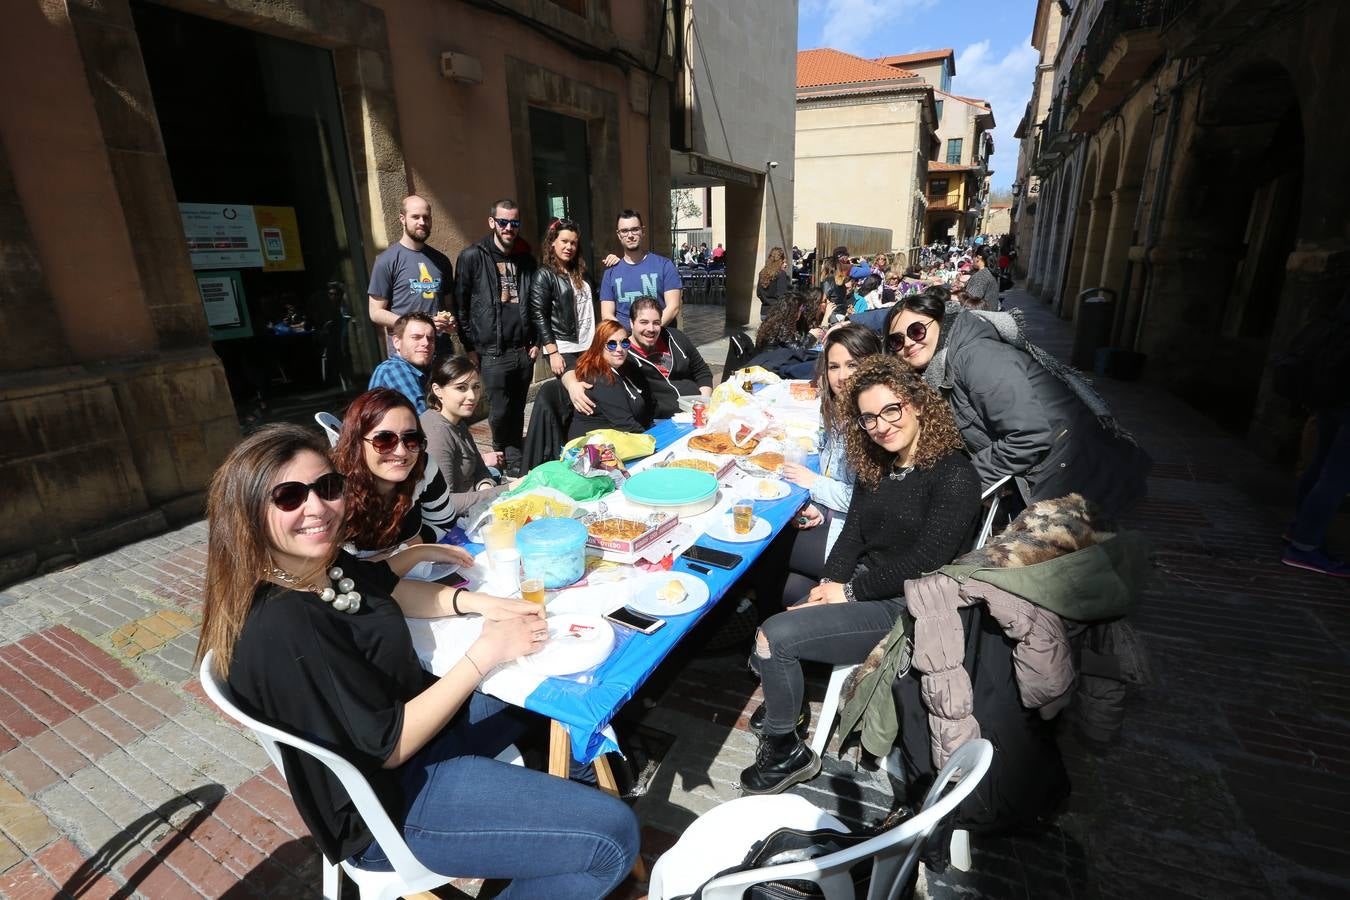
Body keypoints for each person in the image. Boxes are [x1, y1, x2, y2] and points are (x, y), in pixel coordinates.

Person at [197, 424, 639, 896]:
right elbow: (387, 748)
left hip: (420, 740)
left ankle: (560, 804)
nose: (317, 508)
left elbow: (387, 587)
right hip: (385, 803)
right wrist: (484, 652)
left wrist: (480, 605)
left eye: (327, 487)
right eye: (288, 496)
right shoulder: (284, 627)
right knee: (613, 839)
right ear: (247, 514)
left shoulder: (316, 567)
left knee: (551, 691)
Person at [742, 357, 981, 794]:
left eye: (892, 410)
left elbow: (924, 562)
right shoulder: (879, 464)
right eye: (869, 418)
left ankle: (784, 753)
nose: (881, 426)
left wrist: (848, 591)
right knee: (780, 613)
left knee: (772, 636)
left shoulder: (954, 474)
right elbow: (852, 535)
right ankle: (786, 710)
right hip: (869, 587)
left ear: (918, 405)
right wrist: (827, 586)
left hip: (908, 606)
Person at [885, 293, 1149, 518]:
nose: (908, 343)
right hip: (1053, 470)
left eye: (916, 330)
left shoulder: (976, 356)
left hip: (1072, 471)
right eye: (897, 341)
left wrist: (964, 480)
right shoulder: (943, 368)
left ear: (940, 321)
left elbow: (1028, 436)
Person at [755, 324, 884, 617]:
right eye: (834, 366)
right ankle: (773, 629)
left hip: (858, 539)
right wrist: (819, 505)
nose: (842, 376)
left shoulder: (875, 422)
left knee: (767, 547)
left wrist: (816, 485)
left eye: (853, 364)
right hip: (835, 517)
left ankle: (772, 634)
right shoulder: (839, 410)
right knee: (788, 581)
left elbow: (873, 501)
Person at [454, 199, 538, 477]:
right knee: (499, 411)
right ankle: (502, 458)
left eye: (514, 223)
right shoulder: (473, 256)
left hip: (522, 349)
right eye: (503, 222)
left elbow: (537, 302)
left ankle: (514, 459)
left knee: (517, 408)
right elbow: (461, 305)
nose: (509, 228)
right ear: (492, 222)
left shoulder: (525, 259)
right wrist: (470, 347)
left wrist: (535, 341)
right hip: (492, 351)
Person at [334, 389, 463, 560]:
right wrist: (404, 557)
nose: (402, 452)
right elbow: (332, 568)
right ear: (357, 442)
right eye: (384, 440)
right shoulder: (331, 489)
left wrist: (403, 552)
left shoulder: (423, 467)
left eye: (411, 438)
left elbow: (442, 522)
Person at [1277, 294, 1350, 577]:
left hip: (1331, 392)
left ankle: (1299, 529)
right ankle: (1304, 547)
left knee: (1320, 466)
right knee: (1336, 477)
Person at [420, 355, 517, 517]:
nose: (472, 396)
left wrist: (485, 485)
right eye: (461, 388)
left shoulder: (457, 422)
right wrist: (508, 489)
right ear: (438, 391)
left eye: (476, 387)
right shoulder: (436, 432)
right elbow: (444, 502)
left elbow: (480, 469)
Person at [368, 195, 455, 356]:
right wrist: (416, 325)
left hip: (440, 350)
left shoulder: (441, 261)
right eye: (415, 217)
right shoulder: (386, 261)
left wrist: (449, 321)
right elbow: (376, 312)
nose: (422, 222)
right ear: (403, 218)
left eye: (426, 217)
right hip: (406, 354)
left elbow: (448, 304)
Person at [529, 217, 598, 379]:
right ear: (553, 242)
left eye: (573, 243)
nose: (569, 247)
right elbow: (538, 315)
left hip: (588, 344)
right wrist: (553, 352)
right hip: (564, 347)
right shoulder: (544, 275)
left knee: (590, 392)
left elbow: (597, 297)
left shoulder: (582, 272)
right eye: (564, 241)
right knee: (577, 390)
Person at [626, 296, 713, 418]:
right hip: (662, 421)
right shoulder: (623, 354)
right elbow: (598, 370)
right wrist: (587, 388)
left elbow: (702, 372)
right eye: (644, 322)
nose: (650, 329)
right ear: (631, 322)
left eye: (656, 323)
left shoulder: (675, 337)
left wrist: (703, 403)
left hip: (698, 411)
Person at [566, 321, 655, 440]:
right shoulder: (601, 377)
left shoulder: (624, 368)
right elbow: (625, 425)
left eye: (624, 343)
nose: (619, 349)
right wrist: (655, 442)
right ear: (599, 346)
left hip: (616, 440)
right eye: (612, 344)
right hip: (593, 450)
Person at [599, 210, 682, 331]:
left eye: (635, 229)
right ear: (618, 235)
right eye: (624, 231)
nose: (630, 235)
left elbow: (673, 307)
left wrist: (649, 331)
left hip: (660, 339)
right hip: (626, 344)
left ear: (643, 231)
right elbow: (607, 314)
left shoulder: (664, 266)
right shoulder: (610, 273)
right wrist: (629, 339)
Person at [368, 312, 436, 414]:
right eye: (416, 337)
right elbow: (425, 421)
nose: (426, 343)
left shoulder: (424, 370)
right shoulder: (393, 369)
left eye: (430, 339)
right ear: (397, 342)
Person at [756, 247, 791, 321]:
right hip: (776, 313)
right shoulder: (781, 274)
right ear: (780, 260)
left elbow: (758, 293)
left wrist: (766, 301)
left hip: (764, 313)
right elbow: (782, 296)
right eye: (783, 261)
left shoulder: (762, 272)